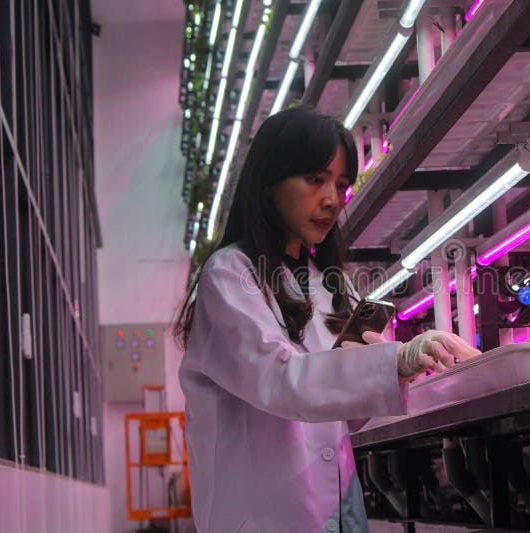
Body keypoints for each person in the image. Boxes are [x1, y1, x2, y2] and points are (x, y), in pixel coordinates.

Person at [175, 106, 480, 533]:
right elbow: (280, 380)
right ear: (269, 181)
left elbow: (343, 414)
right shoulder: (230, 274)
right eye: (315, 179)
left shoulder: (331, 286)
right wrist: (390, 362)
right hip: (264, 517)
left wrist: (411, 369)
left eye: (341, 184)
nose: (332, 200)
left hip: (337, 506)